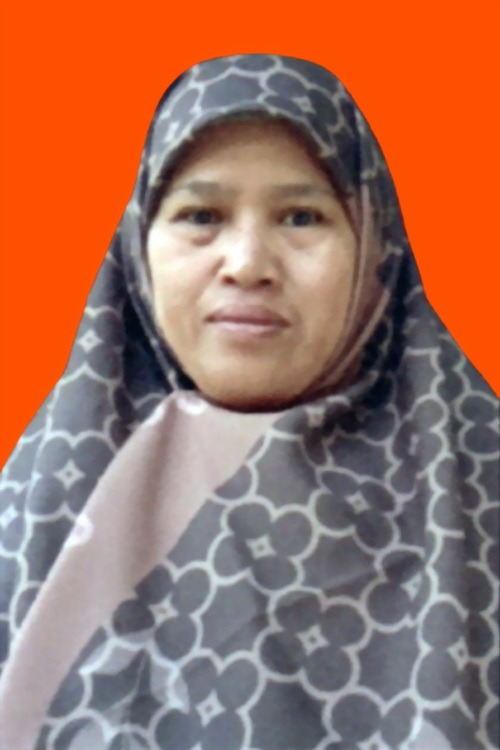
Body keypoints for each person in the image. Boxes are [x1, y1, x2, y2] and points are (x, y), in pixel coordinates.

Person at [0, 54, 498, 750]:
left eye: (301, 216)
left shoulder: (476, 481)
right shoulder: (41, 498)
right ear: (140, 246)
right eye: (201, 215)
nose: (247, 263)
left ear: (373, 246)